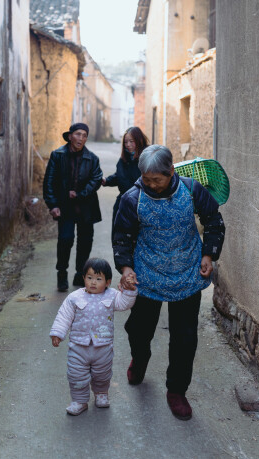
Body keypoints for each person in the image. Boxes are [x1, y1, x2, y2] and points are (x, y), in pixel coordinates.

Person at [113, 144, 225, 421]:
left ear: (171, 171)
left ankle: (176, 391)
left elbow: (214, 220)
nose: (152, 185)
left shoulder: (191, 189)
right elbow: (122, 237)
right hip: (147, 273)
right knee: (138, 329)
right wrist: (126, 268)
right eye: (147, 179)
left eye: (157, 180)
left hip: (187, 271)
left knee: (184, 338)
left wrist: (208, 254)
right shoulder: (132, 198)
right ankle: (140, 359)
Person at [50, 258, 137, 415]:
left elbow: (125, 303)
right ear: (83, 278)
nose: (93, 283)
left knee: (102, 375)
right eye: (89, 278)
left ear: (108, 281)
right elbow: (64, 316)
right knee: (76, 375)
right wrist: (57, 333)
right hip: (78, 347)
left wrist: (130, 290)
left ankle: (101, 394)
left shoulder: (112, 296)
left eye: (98, 279)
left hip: (103, 347)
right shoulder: (74, 298)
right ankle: (79, 401)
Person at [43, 123, 103, 291]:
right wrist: (52, 204)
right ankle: (61, 273)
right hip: (65, 207)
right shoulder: (58, 155)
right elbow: (49, 181)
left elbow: (96, 179)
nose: (81, 138)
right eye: (78, 134)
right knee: (65, 240)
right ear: (69, 136)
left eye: (84, 135)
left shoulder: (92, 158)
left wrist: (80, 194)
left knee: (85, 242)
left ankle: (80, 274)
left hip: (86, 208)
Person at [102, 126, 149, 233]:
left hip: (141, 206)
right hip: (122, 204)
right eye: (126, 142)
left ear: (139, 140)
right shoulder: (124, 159)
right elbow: (120, 176)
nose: (128, 145)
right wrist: (106, 180)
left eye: (131, 141)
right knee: (120, 240)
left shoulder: (148, 158)